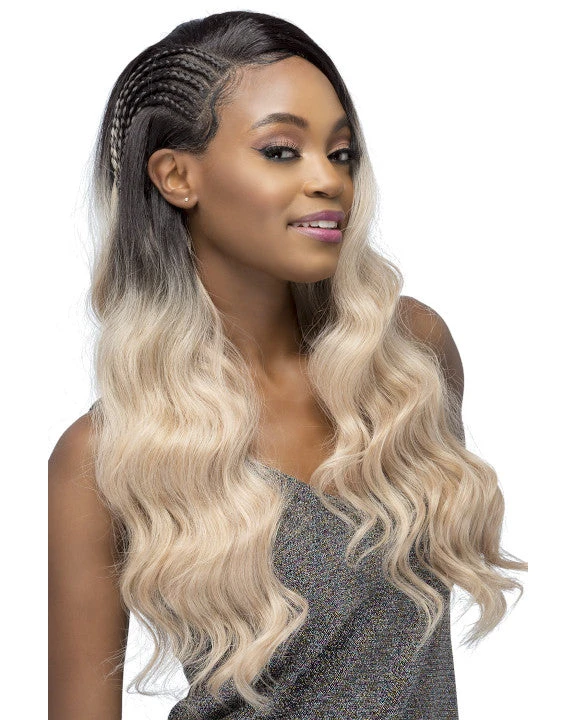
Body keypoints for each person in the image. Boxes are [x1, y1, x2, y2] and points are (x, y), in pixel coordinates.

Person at [48, 10, 527, 720]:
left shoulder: (405, 362)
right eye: (281, 151)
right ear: (176, 176)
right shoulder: (101, 456)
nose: (329, 180)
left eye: (341, 153)